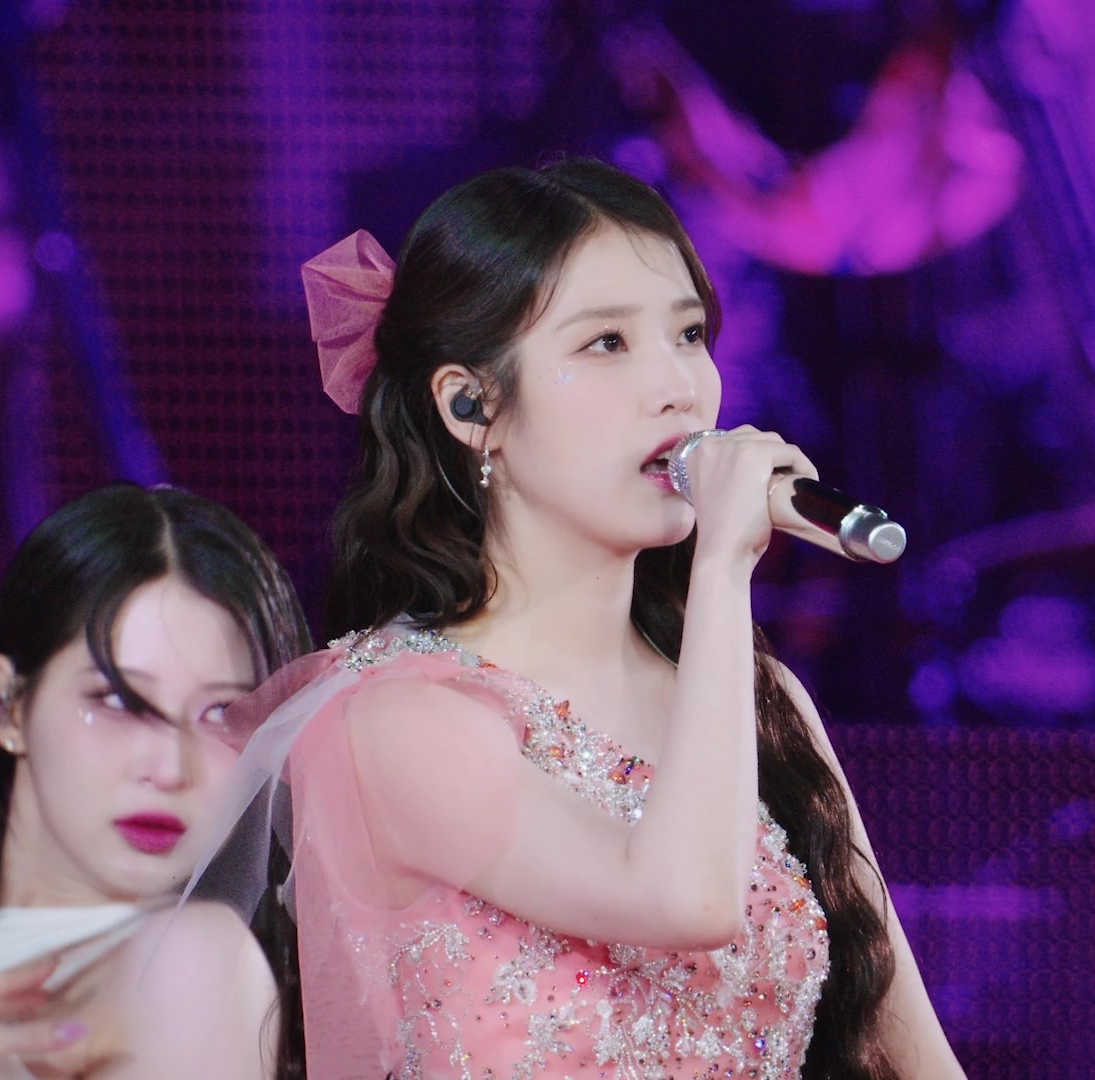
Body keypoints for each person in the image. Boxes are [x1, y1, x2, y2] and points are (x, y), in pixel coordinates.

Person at [220, 156, 965, 1077]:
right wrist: (723, 567)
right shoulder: (391, 720)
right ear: (472, 405)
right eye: (607, 343)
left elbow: (915, 1055)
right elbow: (685, 900)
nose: (678, 386)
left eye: (688, 334)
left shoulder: (759, 700)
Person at [0, 484, 312, 1079]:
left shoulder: (192, 959)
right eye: (119, 701)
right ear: (7, 706)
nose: (169, 769)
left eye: (221, 715)